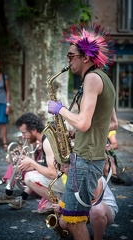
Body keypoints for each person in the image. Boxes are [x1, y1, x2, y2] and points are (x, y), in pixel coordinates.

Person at [48, 23, 116, 240]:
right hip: (88, 157)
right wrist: (74, 134)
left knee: (75, 223)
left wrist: (61, 110)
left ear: (85, 57)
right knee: (68, 220)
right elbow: (104, 123)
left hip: (86, 160)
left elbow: (84, 123)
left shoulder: (92, 78)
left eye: (71, 55)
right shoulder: (102, 78)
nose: (68, 61)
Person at [0, 113, 64, 210]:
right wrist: (28, 164)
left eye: (24, 133)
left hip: (65, 181)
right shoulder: (45, 138)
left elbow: (53, 174)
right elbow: (48, 166)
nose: (23, 136)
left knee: (29, 178)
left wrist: (32, 162)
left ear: (33, 130)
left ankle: (62, 206)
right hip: (63, 178)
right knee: (30, 174)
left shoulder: (47, 142)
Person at [54, 163, 118, 240]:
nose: (61, 169)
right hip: (86, 210)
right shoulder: (67, 177)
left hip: (104, 208)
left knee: (96, 210)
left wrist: (62, 208)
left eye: (65, 166)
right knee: (63, 222)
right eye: (60, 166)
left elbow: (92, 202)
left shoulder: (92, 175)